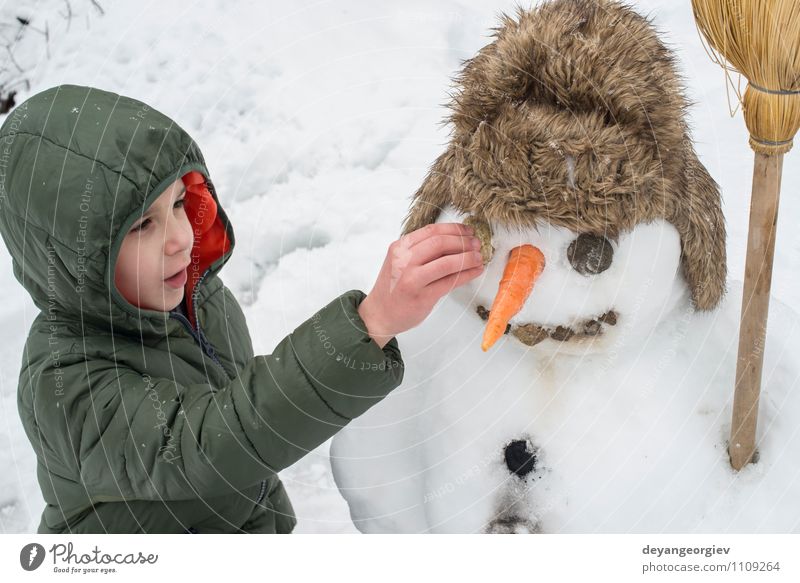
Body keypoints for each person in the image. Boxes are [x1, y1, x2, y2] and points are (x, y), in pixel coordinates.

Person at [0, 84, 485, 533]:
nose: (180, 238)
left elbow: (247, 411)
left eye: (176, 204)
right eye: (142, 226)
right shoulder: (64, 382)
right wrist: (370, 323)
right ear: (72, 258)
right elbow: (209, 444)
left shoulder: (197, 297)